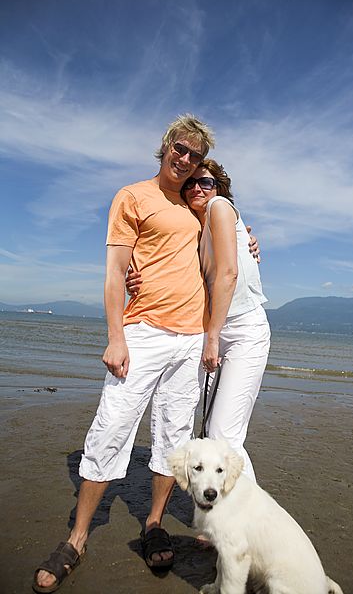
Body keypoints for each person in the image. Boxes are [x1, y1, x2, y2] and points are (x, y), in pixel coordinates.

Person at [33, 114, 259, 593]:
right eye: (180, 150)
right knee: (112, 426)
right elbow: (115, 272)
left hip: (193, 339)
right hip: (143, 333)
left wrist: (248, 234)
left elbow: (227, 245)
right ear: (165, 148)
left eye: (196, 158)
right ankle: (78, 536)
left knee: (173, 437)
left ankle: (154, 522)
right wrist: (116, 336)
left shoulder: (202, 206)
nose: (187, 162)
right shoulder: (133, 196)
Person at [127, 158, 271, 481]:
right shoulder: (197, 229)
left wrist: (212, 337)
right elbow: (166, 263)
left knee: (223, 433)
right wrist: (132, 276)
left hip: (242, 330)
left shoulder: (220, 207)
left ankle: (245, 516)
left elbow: (229, 274)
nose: (196, 188)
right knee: (208, 428)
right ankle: (222, 516)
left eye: (205, 182)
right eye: (190, 183)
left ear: (218, 188)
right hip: (216, 331)